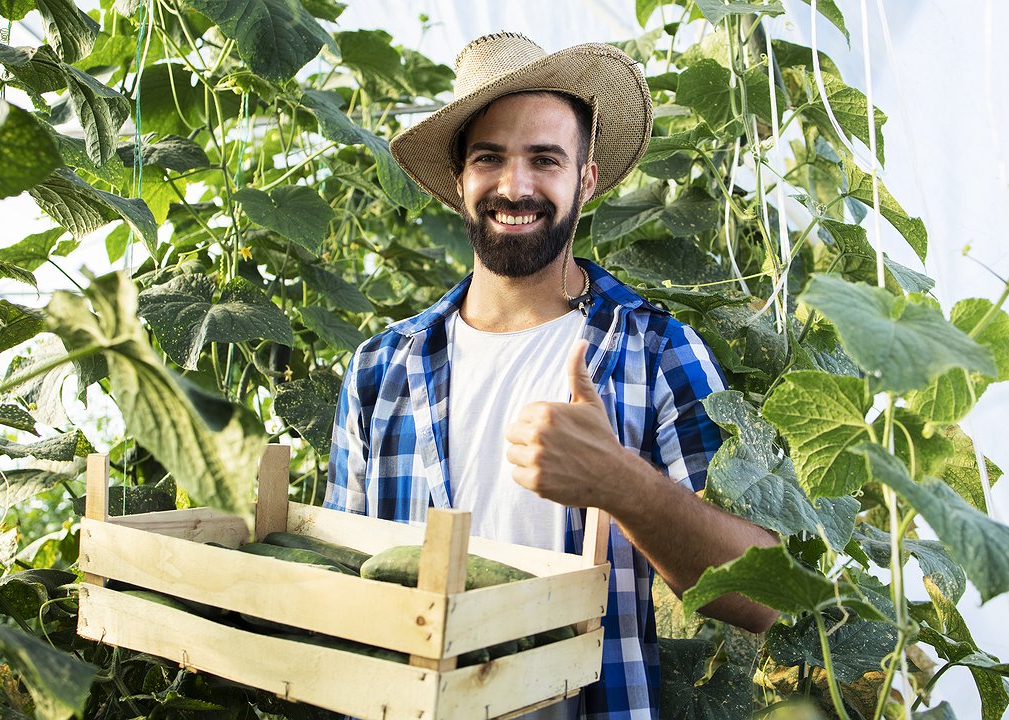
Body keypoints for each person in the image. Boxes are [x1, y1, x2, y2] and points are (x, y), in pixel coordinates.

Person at [326, 32, 779, 720]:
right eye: (490, 158)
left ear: (585, 180)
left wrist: (622, 484)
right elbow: (343, 590)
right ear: (460, 179)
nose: (515, 186)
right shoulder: (380, 370)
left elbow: (763, 599)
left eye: (545, 159)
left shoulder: (658, 351)